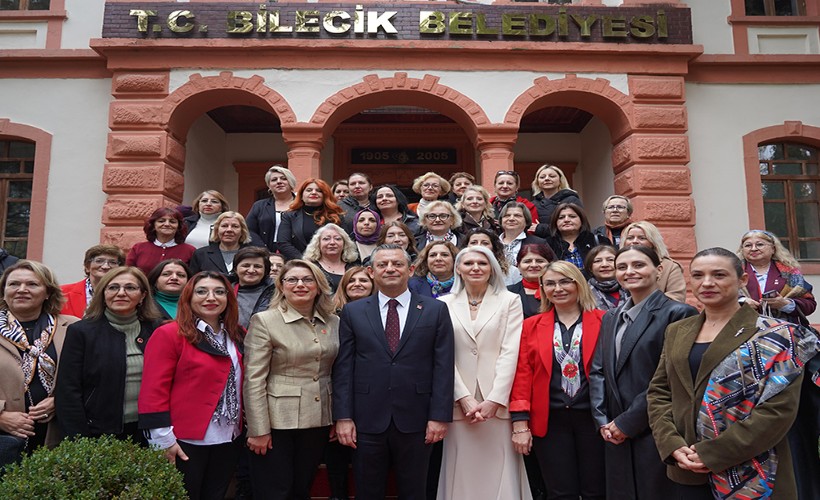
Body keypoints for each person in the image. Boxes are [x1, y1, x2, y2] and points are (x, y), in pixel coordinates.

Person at [647, 248, 819, 500]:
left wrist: (714, 453)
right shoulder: (677, 330)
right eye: (697, 275)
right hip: (686, 468)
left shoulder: (776, 335)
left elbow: (778, 411)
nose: (707, 283)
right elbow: (660, 392)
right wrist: (672, 444)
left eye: (719, 274)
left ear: (742, 280)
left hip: (752, 470)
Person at [332, 244, 455, 500]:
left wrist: (439, 416)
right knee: (368, 491)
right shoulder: (353, 312)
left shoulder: (435, 309)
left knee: (415, 491)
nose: (390, 269)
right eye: (382, 265)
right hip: (366, 420)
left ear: (410, 270)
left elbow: (443, 366)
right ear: (371, 271)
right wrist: (343, 417)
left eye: (397, 264)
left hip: (418, 420)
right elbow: (344, 367)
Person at [588, 246, 697, 499]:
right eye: (622, 267)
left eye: (638, 265)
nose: (629, 272)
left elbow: (670, 378)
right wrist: (602, 420)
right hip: (614, 431)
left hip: (655, 428)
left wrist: (628, 422)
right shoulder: (611, 317)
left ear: (658, 270)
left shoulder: (678, 313)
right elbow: (598, 371)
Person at [139, 272, 244, 500]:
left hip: (229, 437)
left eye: (219, 292)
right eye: (201, 291)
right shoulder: (169, 334)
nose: (211, 297)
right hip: (185, 439)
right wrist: (163, 439)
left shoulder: (237, 334)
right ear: (188, 297)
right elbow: (153, 390)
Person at [437, 246, 529, 499]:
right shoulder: (442, 304)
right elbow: (442, 356)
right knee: (461, 472)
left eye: (482, 263)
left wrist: (495, 400)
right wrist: (463, 397)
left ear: (492, 269)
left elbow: (511, 351)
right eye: (468, 263)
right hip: (459, 408)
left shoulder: (510, 301)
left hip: (496, 407)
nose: (476, 268)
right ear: (458, 269)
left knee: (499, 471)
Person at [243, 260, 340, 500]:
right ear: (281, 286)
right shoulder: (264, 320)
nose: (300, 285)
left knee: (301, 489)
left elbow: (337, 372)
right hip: (276, 423)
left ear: (318, 286)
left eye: (308, 280)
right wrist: (258, 430)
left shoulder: (334, 321)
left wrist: (337, 417)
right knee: (276, 491)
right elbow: (254, 379)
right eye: (292, 280)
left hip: (318, 419)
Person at [510, 261, 606, 500]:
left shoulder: (606, 321)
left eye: (565, 281)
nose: (558, 288)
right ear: (542, 289)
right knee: (560, 492)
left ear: (579, 284)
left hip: (594, 420)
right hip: (550, 421)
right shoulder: (531, 326)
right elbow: (523, 374)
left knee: (596, 491)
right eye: (550, 283)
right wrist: (520, 423)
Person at [55, 267, 162, 442]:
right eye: (113, 288)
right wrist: (79, 441)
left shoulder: (157, 330)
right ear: (103, 293)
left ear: (143, 295)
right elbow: (68, 390)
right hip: (98, 432)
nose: (121, 293)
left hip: (150, 431)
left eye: (130, 288)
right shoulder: (81, 332)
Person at [0, 261, 79, 468]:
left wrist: (58, 400)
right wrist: (1, 417)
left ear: (47, 292)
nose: (22, 290)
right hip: (5, 437)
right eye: (14, 284)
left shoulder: (73, 327)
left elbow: (89, 377)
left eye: (32, 284)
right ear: (4, 291)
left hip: (57, 433)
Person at [737, 229, 816, 324]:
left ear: (773, 249)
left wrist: (785, 304)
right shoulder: (733, 271)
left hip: (783, 331)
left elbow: (809, 304)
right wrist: (741, 301)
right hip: (742, 329)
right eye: (748, 245)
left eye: (760, 244)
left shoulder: (789, 272)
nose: (753, 249)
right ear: (742, 250)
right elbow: (717, 298)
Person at [277, 179, 344, 261]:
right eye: (309, 190)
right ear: (301, 195)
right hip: (299, 263)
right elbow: (283, 243)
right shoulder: (289, 216)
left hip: (330, 263)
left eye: (319, 191)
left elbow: (345, 242)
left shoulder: (336, 216)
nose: (313, 192)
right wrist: (304, 261)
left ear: (325, 195)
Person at [621, 221, 686, 302]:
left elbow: (677, 298)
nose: (635, 241)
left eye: (642, 238)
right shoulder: (617, 266)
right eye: (630, 238)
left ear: (653, 242)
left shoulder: (670, 267)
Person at [60, 245, 125, 318]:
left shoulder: (126, 294)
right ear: (87, 266)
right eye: (99, 261)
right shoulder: (62, 293)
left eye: (112, 262)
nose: (105, 266)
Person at [126, 207, 196, 275]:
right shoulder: (138, 248)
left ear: (179, 226)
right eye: (161, 221)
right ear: (153, 224)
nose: (167, 224)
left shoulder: (190, 250)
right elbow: (128, 273)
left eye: (172, 221)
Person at [246, 165, 298, 253]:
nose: (279, 182)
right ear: (269, 186)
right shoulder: (259, 206)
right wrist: (263, 250)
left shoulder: (301, 205)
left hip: (296, 251)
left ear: (291, 182)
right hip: (265, 251)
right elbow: (249, 230)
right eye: (274, 180)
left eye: (283, 179)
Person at [544, 203, 610, 271]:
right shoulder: (547, 245)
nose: (566, 220)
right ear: (555, 222)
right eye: (561, 217)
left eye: (572, 216)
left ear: (582, 220)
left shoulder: (599, 241)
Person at [189, 211, 257, 276]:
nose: (229, 230)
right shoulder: (200, 254)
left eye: (235, 226)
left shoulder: (253, 254)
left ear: (242, 231)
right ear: (217, 230)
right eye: (224, 226)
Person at [303, 224, 360, 294]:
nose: (332, 242)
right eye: (326, 239)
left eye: (337, 239)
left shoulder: (355, 266)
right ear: (318, 243)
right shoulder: (309, 267)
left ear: (345, 244)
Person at [232, 247, 276, 330]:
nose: (251, 270)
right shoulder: (225, 292)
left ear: (265, 271)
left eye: (257, 266)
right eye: (246, 265)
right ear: (235, 269)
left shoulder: (277, 292)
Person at [531, 164, 582, 234]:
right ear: (537, 182)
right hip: (541, 244)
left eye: (552, 176)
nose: (547, 179)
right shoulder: (533, 204)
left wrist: (541, 228)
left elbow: (578, 225)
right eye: (542, 177)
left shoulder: (572, 200)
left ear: (560, 180)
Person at [507, 243, 555, 319]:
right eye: (527, 261)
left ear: (550, 264)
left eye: (539, 261)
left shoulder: (560, 290)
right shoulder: (507, 293)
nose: (534, 265)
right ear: (518, 266)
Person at [499, 202, 546, 268]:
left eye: (517, 215)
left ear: (526, 221)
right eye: (507, 215)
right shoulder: (492, 243)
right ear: (501, 220)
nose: (511, 219)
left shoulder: (539, 243)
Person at [585, 245, 628, 311]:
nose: (604, 265)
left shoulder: (631, 288)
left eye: (610, 260)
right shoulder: (583, 293)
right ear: (590, 268)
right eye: (598, 261)